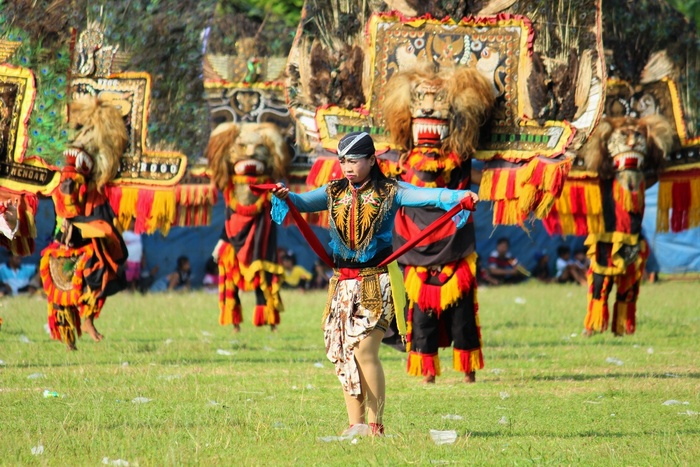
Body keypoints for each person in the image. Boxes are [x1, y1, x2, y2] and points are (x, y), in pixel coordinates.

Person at [271, 131, 478, 436]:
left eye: (354, 160)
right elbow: (300, 203)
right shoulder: (333, 192)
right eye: (343, 161)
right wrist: (285, 195)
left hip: (375, 282)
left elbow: (429, 195)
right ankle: (355, 425)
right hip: (342, 284)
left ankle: (376, 426)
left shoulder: (390, 191)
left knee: (365, 351)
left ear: (371, 160)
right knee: (343, 353)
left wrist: (459, 197)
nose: (348, 167)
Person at [122, 222, 144, 292]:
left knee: (135, 277)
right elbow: (122, 247)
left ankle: (133, 292)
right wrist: (124, 259)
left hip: (137, 260)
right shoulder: (125, 234)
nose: (133, 224)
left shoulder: (138, 234)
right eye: (132, 222)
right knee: (128, 277)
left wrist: (142, 258)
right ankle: (125, 292)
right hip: (129, 260)